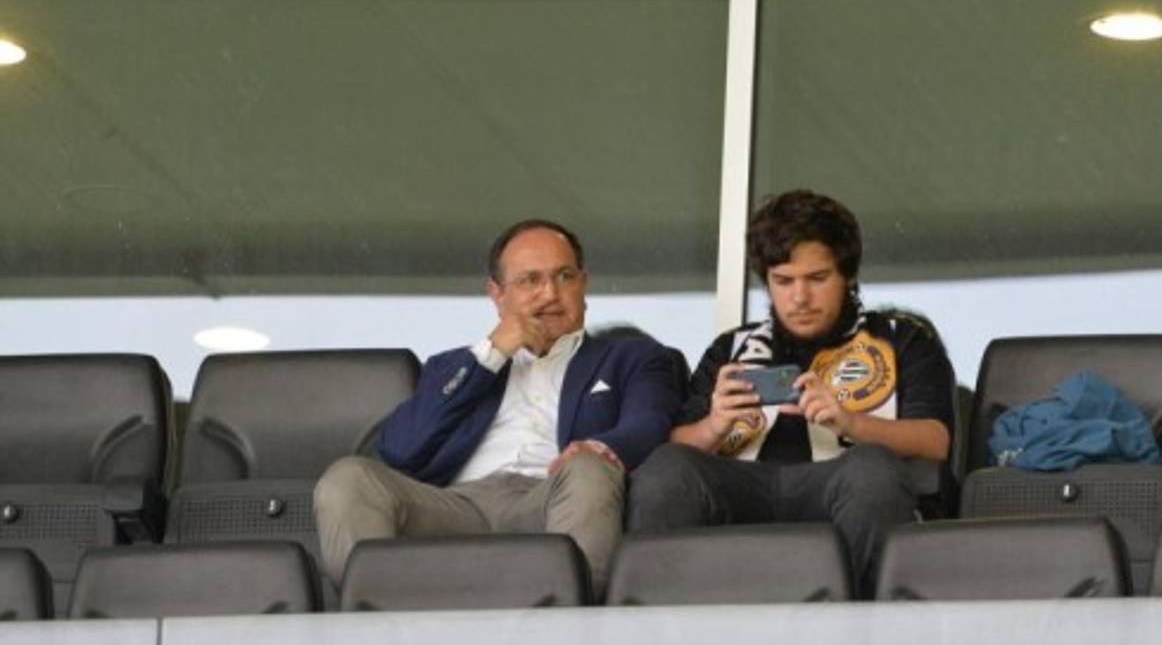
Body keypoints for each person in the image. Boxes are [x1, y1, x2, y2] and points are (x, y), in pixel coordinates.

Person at [314, 219, 682, 597]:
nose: (550, 294)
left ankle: (570, 615)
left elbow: (648, 421)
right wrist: (491, 353)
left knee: (589, 467)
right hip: (455, 506)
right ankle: (375, 612)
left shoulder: (631, 356)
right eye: (530, 280)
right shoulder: (452, 366)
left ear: (583, 285)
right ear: (497, 295)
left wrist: (599, 449)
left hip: (554, 497)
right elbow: (401, 449)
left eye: (564, 276)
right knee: (349, 478)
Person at [627, 190, 954, 596]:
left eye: (817, 279)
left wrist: (851, 423)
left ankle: (858, 624)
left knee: (871, 471)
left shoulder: (902, 338)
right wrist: (714, 425)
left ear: (848, 275)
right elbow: (676, 448)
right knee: (666, 470)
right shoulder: (731, 347)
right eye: (783, 281)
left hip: (842, 481)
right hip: (742, 485)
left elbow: (935, 441)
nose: (800, 297)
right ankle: (661, 625)